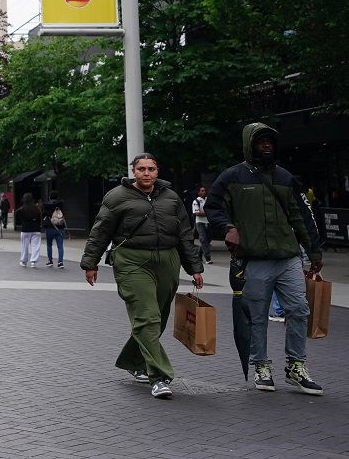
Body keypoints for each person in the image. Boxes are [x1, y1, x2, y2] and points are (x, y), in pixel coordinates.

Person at [205, 123, 324, 395]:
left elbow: (301, 218)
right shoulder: (231, 177)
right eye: (261, 142)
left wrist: (314, 251)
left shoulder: (285, 177)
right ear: (250, 145)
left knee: (299, 310)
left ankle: (296, 366)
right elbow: (213, 207)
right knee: (257, 316)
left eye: (271, 141)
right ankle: (261, 365)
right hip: (254, 260)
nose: (267, 145)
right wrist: (227, 227)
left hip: (288, 258)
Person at [80, 153, 203, 400]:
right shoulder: (116, 197)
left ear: (157, 172)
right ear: (133, 172)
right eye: (141, 169)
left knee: (158, 317)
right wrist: (89, 263)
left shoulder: (171, 198)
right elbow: (100, 231)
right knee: (146, 316)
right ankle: (158, 376)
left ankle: (133, 360)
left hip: (167, 260)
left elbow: (185, 234)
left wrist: (195, 267)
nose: (147, 173)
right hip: (131, 261)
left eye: (151, 169)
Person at [15, 194, 42, 268]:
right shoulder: (36, 208)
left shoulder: (22, 209)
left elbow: (17, 215)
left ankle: (24, 261)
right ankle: (33, 261)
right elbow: (40, 218)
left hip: (25, 229)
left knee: (24, 246)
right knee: (35, 246)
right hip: (36, 229)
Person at [42, 190, 66, 269]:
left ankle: (50, 261)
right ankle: (60, 262)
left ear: (49, 197)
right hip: (60, 227)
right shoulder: (61, 204)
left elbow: (43, 215)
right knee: (60, 246)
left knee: (49, 245)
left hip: (50, 227)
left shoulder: (46, 205)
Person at [191, 185, 212, 264]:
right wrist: (208, 213)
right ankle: (208, 258)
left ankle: (199, 254)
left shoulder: (208, 200)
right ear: (199, 192)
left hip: (208, 222)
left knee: (208, 239)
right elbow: (196, 213)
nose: (204, 192)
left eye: (204, 190)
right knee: (203, 239)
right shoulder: (196, 201)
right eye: (202, 191)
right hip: (200, 223)